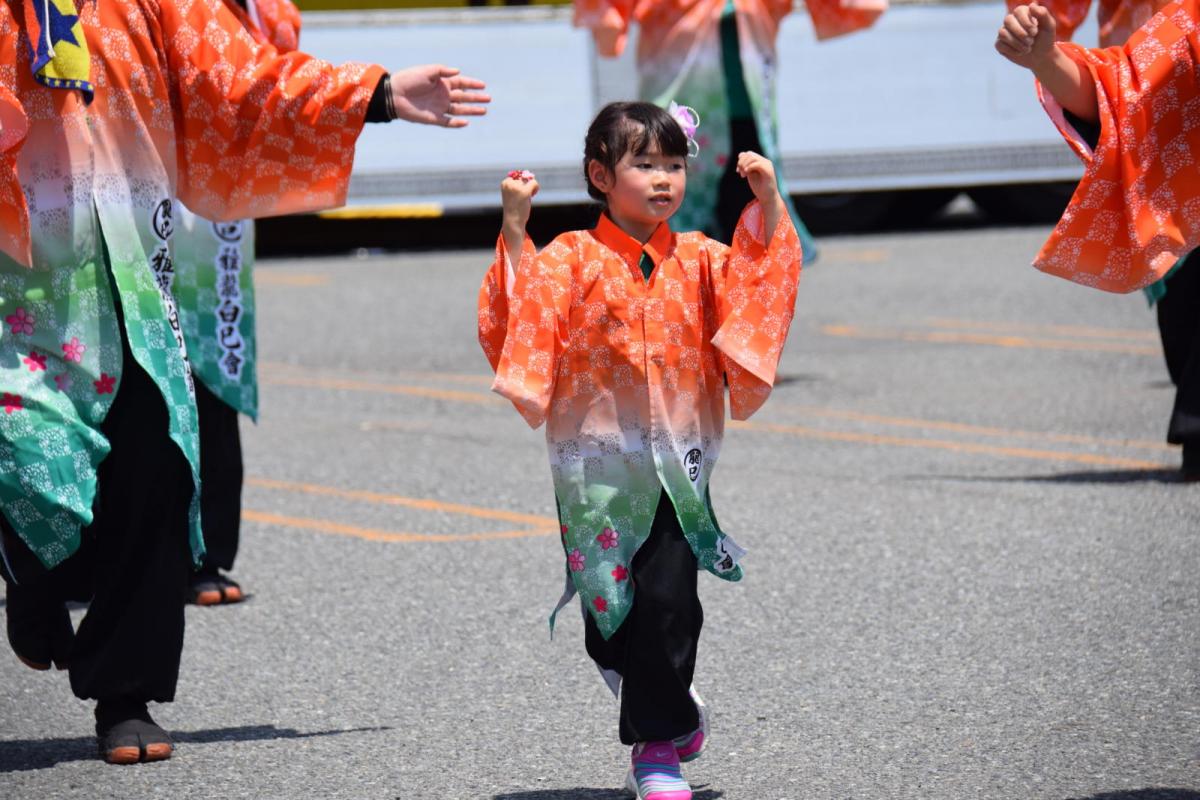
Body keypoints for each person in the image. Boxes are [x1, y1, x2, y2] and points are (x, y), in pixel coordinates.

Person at [1, 0, 489, 764]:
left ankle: (124, 694)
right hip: (19, 281)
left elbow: (240, 76)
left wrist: (379, 94)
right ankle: (30, 575)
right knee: (23, 453)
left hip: (130, 268)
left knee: (154, 465)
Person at [477, 101, 801, 800]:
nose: (664, 180)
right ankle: (672, 712)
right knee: (608, 610)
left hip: (677, 464)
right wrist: (513, 226)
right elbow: (517, 316)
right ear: (600, 174)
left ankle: (656, 751)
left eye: (675, 165)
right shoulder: (569, 258)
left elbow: (761, 280)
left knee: (670, 598)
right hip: (596, 468)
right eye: (644, 164)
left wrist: (768, 204)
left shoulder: (703, 259)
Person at [994, 0, 1200, 477]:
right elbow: (1125, 94)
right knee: (1178, 283)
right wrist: (1044, 55)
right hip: (1174, 171)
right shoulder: (1184, 21)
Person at [572, 0, 887, 258]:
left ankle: (737, 303)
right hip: (682, 112)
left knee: (745, 216)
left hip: (747, 115)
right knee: (670, 206)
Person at [173, 0, 304, 607]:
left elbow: (284, 78)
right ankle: (75, 560)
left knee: (213, 379)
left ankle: (204, 555)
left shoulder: (259, 11)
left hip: (212, 215)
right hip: (128, 195)